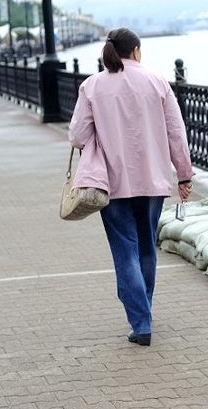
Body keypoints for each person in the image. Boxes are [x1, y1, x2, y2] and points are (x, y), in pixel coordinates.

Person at [68, 27, 194, 347]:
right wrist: (184, 174)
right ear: (136, 51)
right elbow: (176, 133)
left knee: (125, 251)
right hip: (153, 180)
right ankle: (144, 312)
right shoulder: (157, 82)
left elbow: (78, 136)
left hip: (110, 182)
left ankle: (141, 322)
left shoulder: (92, 86)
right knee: (146, 248)